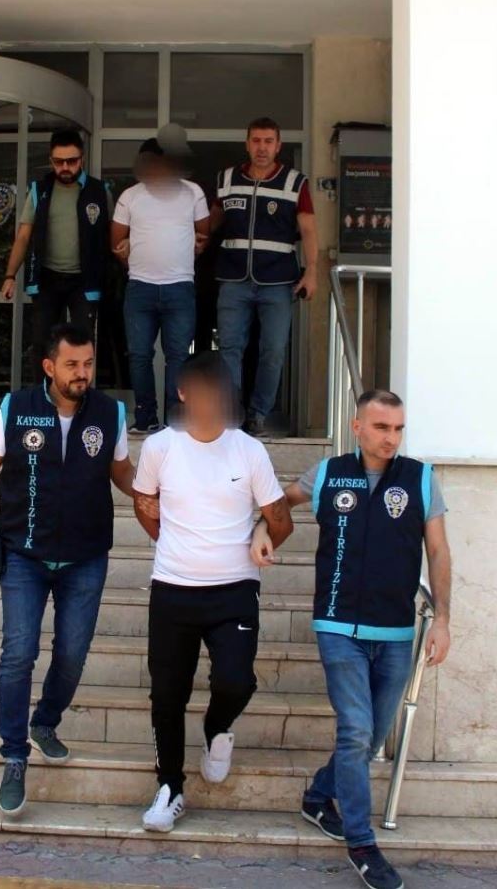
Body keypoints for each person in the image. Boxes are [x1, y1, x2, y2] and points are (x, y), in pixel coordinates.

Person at [252, 389, 452, 889]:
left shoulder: (421, 478)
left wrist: (443, 619)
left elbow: (438, 550)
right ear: (357, 426)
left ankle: (320, 795)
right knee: (357, 730)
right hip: (338, 625)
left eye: (398, 428)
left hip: (396, 631)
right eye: (381, 427)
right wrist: (261, 528)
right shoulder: (328, 473)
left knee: (369, 737)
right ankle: (362, 844)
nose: (391, 438)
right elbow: (282, 502)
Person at [0, 323, 134, 817]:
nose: (82, 373)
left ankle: (45, 720)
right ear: (49, 367)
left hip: (85, 555)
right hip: (24, 554)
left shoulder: (110, 413)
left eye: (88, 364)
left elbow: (122, 473)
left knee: (71, 655)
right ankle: (14, 755)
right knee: (18, 654)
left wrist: (157, 498)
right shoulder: (16, 408)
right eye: (72, 365)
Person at [132, 351, 294, 833]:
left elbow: (281, 518)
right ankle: (170, 788)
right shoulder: (160, 447)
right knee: (167, 693)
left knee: (236, 681)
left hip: (235, 588)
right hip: (173, 588)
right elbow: (144, 503)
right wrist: (172, 544)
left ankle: (216, 728)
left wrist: (263, 532)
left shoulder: (249, 451)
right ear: (182, 394)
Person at [211, 117, 318, 437]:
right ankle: (231, 415)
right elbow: (210, 224)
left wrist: (312, 271)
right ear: (247, 144)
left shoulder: (295, 182)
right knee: (229, 349)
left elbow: (309, 229)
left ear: (278, 145)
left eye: (268, 141)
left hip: (278, 282)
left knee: (273, 350)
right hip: (233, 279)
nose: (262, 147)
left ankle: (258, 415)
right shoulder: (226, 179)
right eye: (256, 140)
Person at [111, 134, 209, 433]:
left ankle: (175, 422)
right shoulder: (130, 196)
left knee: (178, 356)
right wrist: (135, 262)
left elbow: (203, 236)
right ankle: (145, 418)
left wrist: (185, 252)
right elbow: (116, 243)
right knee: (139, 355)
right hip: (140, 287)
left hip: (180, 287)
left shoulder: (193, 192)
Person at [1, 130, 111, 381]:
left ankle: (80, 398)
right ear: (51, 161)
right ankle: (43, 398)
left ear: (82, 159)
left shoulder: (99, 191)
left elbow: (113, 233)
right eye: (59, 161)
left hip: (85, 280)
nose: (65, 167)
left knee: (83, 344)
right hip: (47, 278)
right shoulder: (39, 191)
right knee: (42, 343)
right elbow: (23, 236)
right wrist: (10, 275)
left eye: (71, 161)